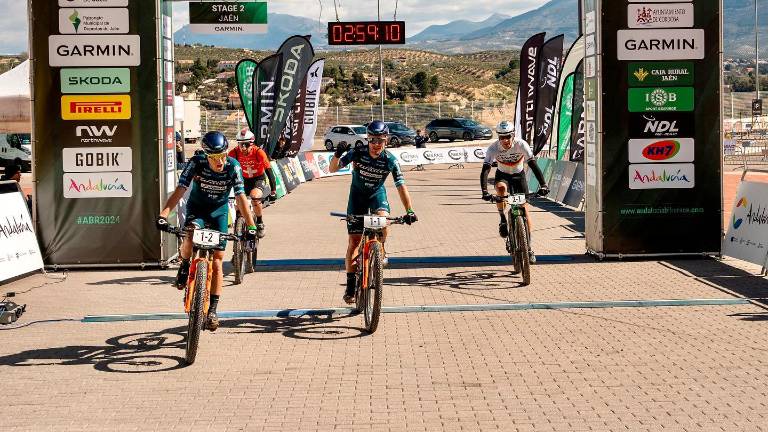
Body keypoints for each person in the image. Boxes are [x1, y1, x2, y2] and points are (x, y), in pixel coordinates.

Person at [156, 131, 257, 331]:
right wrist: (163, 214)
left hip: (218, 213)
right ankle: (184, 264)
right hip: (198, 210)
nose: (220, 162)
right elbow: (180, 190)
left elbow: (240, 198)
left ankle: (213, 310)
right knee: (190, 234)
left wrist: (252, 225)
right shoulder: (196, 162)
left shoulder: (233, 167)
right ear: (206, 155)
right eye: (214, 158)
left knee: (218, 261)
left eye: (223, 156)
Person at [330, 120, 418, 304]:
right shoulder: (358, 153)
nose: (376, 144)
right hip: (357, 197)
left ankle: (381, 249)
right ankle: (350, 287)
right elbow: (332, 168)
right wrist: (338, 154)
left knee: (384, 221)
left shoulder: (390, 160)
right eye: (373, 140)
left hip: (377, 194)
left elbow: (401, 186)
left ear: (386, 141)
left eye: (381, 140)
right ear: (368, 140)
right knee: (354, 241)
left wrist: (409, 210)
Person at [480, 120, 549, 263]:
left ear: (513, 135)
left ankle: (529, 248)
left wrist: (543, 185)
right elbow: (486, 169)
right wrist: (485, 191)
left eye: (508, 136)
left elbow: (533, 164)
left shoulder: (521, 144)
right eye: (501, 137)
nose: (505, 140)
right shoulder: (493, 148)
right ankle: (503, 219)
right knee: (500, 189)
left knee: (525, 210)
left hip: (519, 176)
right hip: (503, 176)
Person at [228, 128, 276, 237]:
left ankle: (259, 222)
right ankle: (239, 222)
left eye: (246, 144)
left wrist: (273, 190)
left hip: (257, 179)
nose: (243, 148)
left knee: (255, 197)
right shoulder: (234, 152)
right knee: (238, 203)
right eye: (241, 144)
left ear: (252, 144)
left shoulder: (259, 152)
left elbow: (269, 171)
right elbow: (225, 169)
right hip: (242, 179)